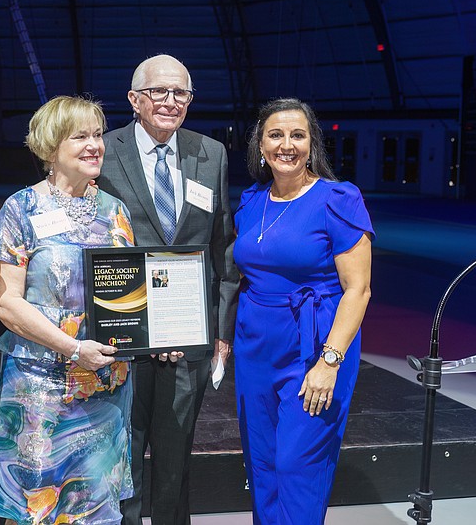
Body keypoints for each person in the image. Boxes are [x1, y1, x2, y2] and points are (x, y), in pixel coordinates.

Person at [96, 54, 240, 525]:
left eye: (181, 93)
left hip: (187, 336)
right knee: (125, 448)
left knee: (176, 454)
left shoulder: (210, 153)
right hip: (125, 336)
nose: (170, 101)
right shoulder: (103, 150)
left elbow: (223, 247)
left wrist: (219, 331)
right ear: (135, 99)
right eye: (159, 91)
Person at [0, 96, 135, 524]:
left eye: (98, 135)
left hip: (105, 391)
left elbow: (131, 299)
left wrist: (160, 335)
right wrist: (73, 349)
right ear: (52, 146)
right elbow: (6, 304)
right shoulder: (22, 209)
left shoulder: (115, 211)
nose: (95, 145)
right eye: (81, 136)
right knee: (40, 508)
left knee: (96, 508)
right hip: (41, 393)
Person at [233, 98, 373, 524]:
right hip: (255, 346)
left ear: (312, 144)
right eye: (276, 135)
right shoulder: (251, 200)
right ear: (260, 143)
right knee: (263, 466)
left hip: (313, 346)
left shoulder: (338, 199)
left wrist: (330, 361)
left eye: (298, 135)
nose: (286, 145)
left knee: (298, 465)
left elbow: (359, 289)